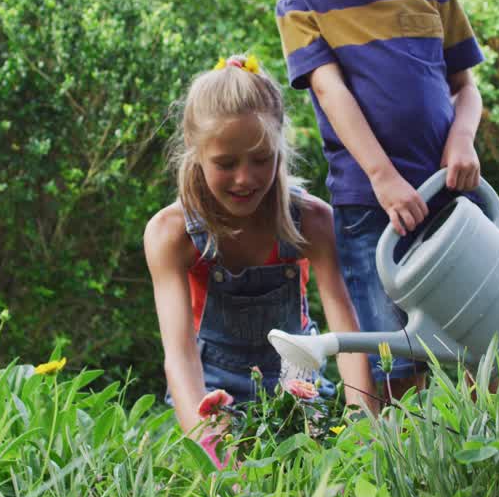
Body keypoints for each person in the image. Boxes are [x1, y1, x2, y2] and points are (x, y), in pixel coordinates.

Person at [266, 0, 485, 400]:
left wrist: (463, 139)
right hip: (369, 204)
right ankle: (400, 461)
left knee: (469, 330)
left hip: (447, 193)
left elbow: (466, 89)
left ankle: (477, 455)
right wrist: (384, 179)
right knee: (393, 345)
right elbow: (331, 92)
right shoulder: (302, 7)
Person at [143, 53, 376, 445]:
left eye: (261, 159)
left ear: (279, 142)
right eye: (226, 163)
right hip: (212, 386)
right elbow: (180, 358)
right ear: (195, 149)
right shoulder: (171, 234)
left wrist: (361, 420)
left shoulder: (314, 221)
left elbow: (346, 336)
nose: (244, 178)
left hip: (297, 382)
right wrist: (205, 431)